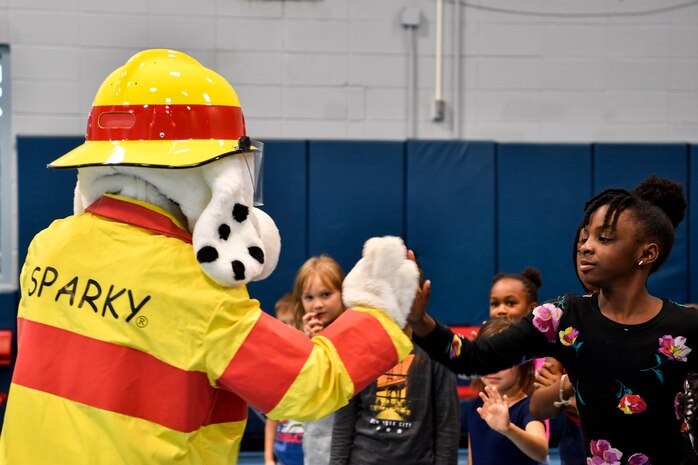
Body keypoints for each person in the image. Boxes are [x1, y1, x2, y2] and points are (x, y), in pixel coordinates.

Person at [0, 49, 420, 465]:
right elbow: (307, 385)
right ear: (205, 176)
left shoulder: (48, 246)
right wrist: (381, 309)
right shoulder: (195, 287)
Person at [408, 175, 696, 464]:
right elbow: (474, 357)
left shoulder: (685, 327)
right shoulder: (563, 317)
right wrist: (421, 322)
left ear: (646, 253)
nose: (586, 247)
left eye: (604, 238)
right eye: (586, 238)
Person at [329, 262, 460, 465]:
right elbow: (344, 422)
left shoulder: (439, 344)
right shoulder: (360, 345)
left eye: (403, 288)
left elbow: (447, 425)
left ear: (418, 293)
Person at [466, 318, 548, 465]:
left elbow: (541, 452)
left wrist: (509, 429)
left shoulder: (528, 408)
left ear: (523, 362)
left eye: (502, 358)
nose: (493, 367)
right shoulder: (476, 407)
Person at [290, 256, 346, 465]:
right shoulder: (298, 340)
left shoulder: (353, 334)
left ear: (342, 293)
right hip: (317, 443)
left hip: (353, 441)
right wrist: (309, 343)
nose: (318, 305)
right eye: (309, 297)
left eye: (326, 294)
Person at [265, 292, 304, 465]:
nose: (286, 329)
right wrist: (268, 458)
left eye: (291, 323)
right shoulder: (276, 367)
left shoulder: (315, 364)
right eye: (281, 323)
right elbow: (272, 419)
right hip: (283, 459)